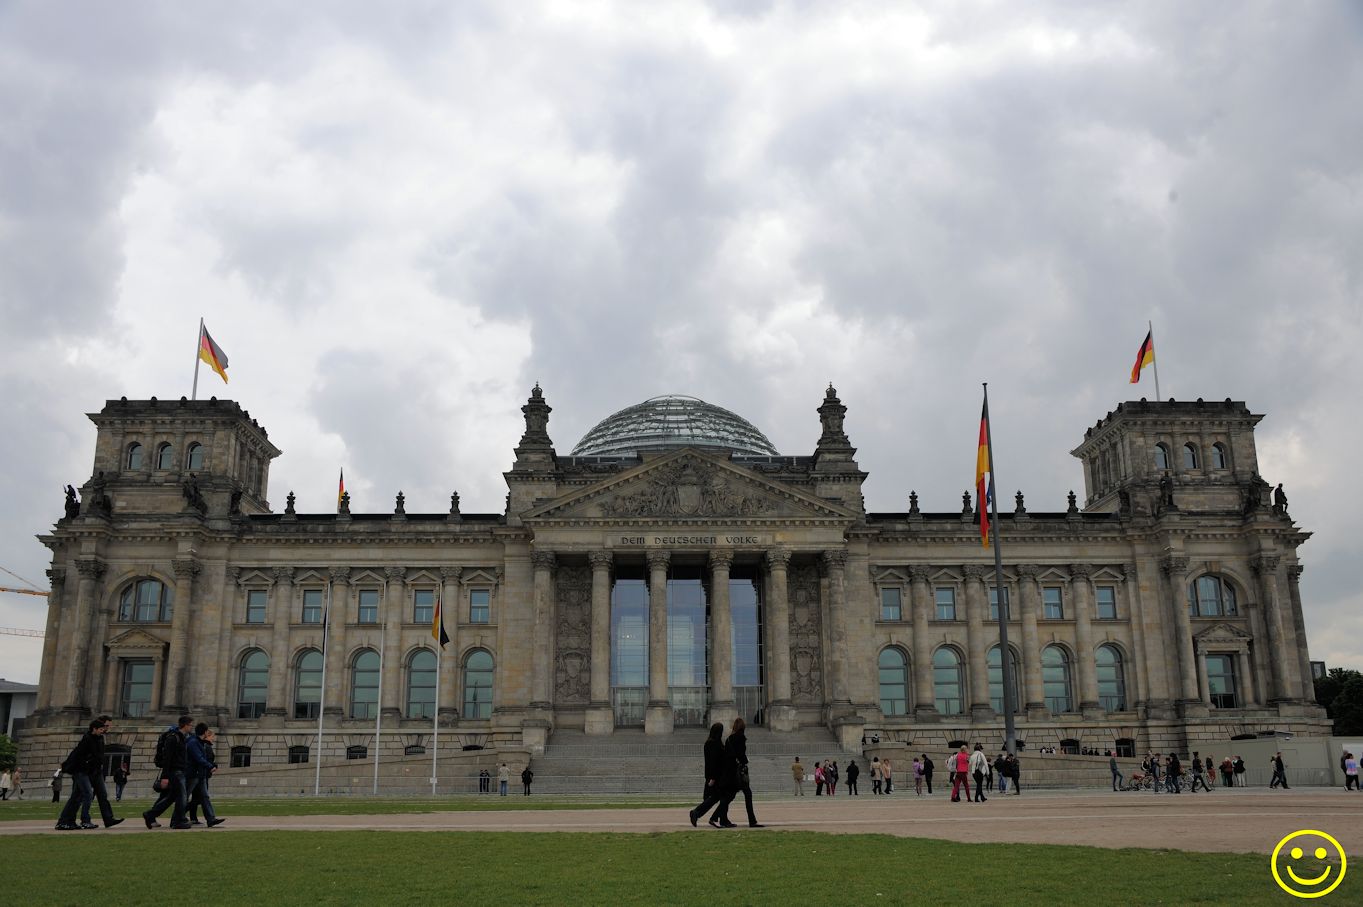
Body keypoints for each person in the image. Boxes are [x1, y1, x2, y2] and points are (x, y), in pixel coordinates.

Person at [57, 717, 123, 830]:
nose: (106, 729)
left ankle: (105, 819)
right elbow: (78, 755)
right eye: (104, 727)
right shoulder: (87, 739)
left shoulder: (100, 738)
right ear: (95, 728)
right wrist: (84, 767)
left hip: (94, 771)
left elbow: (98, 756)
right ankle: (75, 820)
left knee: (98, 795)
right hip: (83, 771)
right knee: (82, 795)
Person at [144, 714, 194, 830]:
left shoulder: (182, 737)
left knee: (171, 797)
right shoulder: (173, 738)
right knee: (182, 796)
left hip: (179, 770)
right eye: (190, 725)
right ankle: (178, 821)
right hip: (175, 771)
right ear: (185, 725)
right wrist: (165, 777)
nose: (191, 727)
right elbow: (167, 759)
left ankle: (150, 814)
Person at [715, 717, 762, 828]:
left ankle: (721, 819)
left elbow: (728, 756)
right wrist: (746, 760)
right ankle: (752, 820)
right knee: (747, 795)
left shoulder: (729, 739)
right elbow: (741, 755)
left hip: (730, 772)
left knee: (728, 797)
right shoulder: (740, 738)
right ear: (743, 727)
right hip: (738, 773)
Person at [691, 723, 732, 827]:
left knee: (720, 797)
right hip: (716, 776)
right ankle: (697, 812)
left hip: (714, 775)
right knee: (718, 798)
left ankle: (722, 819)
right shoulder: (715, 744)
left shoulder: (709, 743)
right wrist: (712, 778)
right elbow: (713, 762)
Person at [185, 724, 225, 827]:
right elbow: (201, 759)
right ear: (206, 734)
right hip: (197, 774)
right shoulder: (200, 744)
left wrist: (212, 765)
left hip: (201, 774)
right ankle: (180, 813)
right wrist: (210, 766)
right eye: (212, 736)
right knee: (195, 798)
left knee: (203, 797)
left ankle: (210, 819)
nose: (214, 738)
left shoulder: (201, 744)